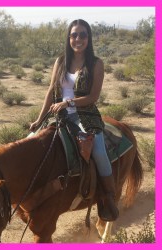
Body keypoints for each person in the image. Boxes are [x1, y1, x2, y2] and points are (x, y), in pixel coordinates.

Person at [28, 19, 116, 221]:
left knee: (99, 152)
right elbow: (51, 91)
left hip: (85, 114)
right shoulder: (60, 62)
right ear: (69, 38)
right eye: (74, 35)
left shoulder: (96, 63)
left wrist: (68, 103)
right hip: (58, 114)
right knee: (31, 140)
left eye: (83, 35)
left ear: (89, 38)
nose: (78, 39)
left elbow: (93, 97)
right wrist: (39, 119)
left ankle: (109, 197)